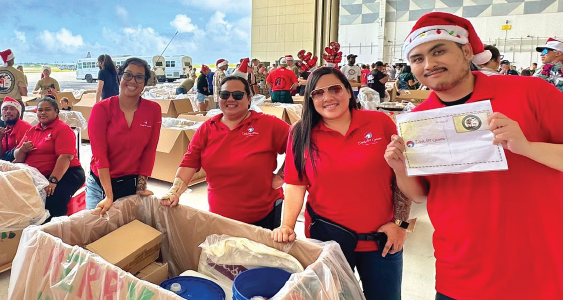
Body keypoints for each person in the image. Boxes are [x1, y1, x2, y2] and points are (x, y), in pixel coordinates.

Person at [392, 12, 563, 300]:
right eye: (418, 58)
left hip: (537, 270)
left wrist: (527, 147)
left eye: (438, 51)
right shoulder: (419, 121)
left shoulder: (530, 92)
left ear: (467, 51)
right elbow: (421, 195)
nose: (429, 64)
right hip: (459, 271)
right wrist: (400, 168)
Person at [272, 67, 409, 299]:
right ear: (310, 98)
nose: (328, 97)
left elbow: (401, 177)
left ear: (348, 91)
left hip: (381, 241)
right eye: (318, 93)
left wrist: (401, 224)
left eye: (335, 89)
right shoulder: (301, 132)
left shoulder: (379, 123)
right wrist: (287, 225)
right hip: (327, 242)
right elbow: (296, 184)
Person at [161, 76, 290, 230]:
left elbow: (301, 147)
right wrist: (174, 192)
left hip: (262, 216)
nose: (230, 99)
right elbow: (190, 161)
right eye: (225, 95)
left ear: (249, 99)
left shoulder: (269, 124)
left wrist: (282, 175)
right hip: (219, 217)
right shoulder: (207, 128)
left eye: (237, 95)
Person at [87, 57, 161, 215]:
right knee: (97, 230)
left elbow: (149, 150)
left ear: (145, 82)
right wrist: (108, 195)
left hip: (129, 182)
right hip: (101, 183)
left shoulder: (153, 110)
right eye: (128, 74)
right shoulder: (101, 109)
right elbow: (100, 154)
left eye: (139, 77)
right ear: (119, 77)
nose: (132, 81)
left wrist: (141, 187)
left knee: (126, 231)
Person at [13, 97, 85, 221]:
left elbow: (65, 158)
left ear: (56, 112)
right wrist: (22, 150)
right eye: (40, 110)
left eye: (47, 110)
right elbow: (17, 157)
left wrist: (53, 181)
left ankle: (56, 231)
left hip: (66, 174)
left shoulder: (62, 130)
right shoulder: (32, 130)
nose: (43, 113)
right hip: (37, 176)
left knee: (53, 200)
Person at [0, 49, 28, 127]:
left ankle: (1, 139)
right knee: (16, 127)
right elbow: (24, 93)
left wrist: (2, 92)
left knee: (0, 127)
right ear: (12, 59)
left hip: (0, 103)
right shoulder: (19, 73)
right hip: (15, 103)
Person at [0, 97, 32, 162]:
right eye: (5, 109)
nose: (8, 111)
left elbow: (22, 157)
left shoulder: (25, 128)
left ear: (18, 113)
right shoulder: (5, 130)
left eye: (12, 109)